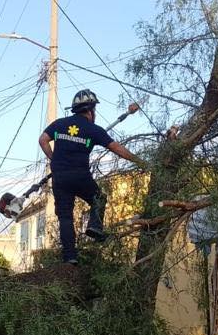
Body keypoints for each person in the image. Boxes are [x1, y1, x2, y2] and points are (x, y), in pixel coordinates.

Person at [39, 89, 145, 264]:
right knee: (99, 198)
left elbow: (42, 139)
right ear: (90, 110)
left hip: (60, 176)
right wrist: (140, 161)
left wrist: (53, 158)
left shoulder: (59, 124)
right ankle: (95, 227)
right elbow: (116, 148)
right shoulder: (93, 129)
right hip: (80, 176)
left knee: (65, 216)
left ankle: (70, 258)